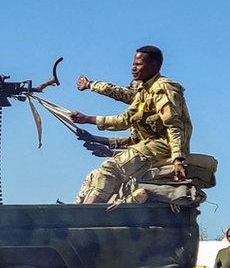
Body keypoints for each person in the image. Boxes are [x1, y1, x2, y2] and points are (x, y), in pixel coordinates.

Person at [69, 45, 194, 203]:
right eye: (133, 64)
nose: (133, 68)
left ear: (154, 66)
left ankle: (84, 218)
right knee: (96, 176)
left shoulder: (162, 89)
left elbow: (174, 126)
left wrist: (178, 159)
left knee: (109, 169)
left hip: (163, 145)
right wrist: (88, 120)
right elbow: (125, 119)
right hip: (149, 146)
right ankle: (77, 214)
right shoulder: (144, 91)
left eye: (138, 64)